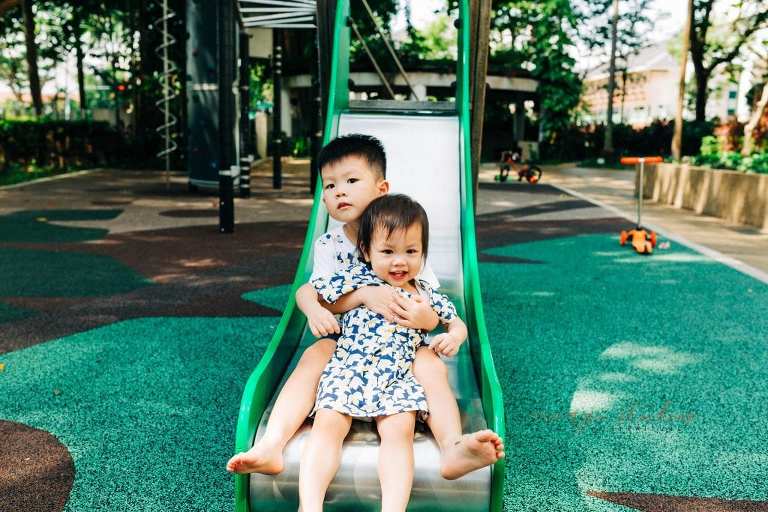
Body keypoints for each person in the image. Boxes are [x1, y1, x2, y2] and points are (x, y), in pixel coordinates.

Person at [226, 134, 503, 479]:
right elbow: (309, 292)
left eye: (351, 181)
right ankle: (271, 445)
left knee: (430, 363)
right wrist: (344, 301)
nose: (338, 191)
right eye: (329, 185)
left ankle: (452, 448)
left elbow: (428, 298)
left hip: (400, 348)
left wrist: (428, 318)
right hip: (348, 346)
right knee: (315, 354)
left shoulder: (405, 236)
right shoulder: (330, 244)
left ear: (381, 187)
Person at [300, 194, 468, 512]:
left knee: (399, 433)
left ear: (423, 253)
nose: (399, 261)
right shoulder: (356, 279)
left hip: (398, 376)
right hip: (348, 369)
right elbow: (311, 291)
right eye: (388, 251)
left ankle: (393, 508)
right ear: (367, 251)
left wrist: (454, 337)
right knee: (327, 426)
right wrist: (315, 311)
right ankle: (309, 506)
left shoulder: (425, 294)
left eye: (411, 251)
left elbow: (456, 323)